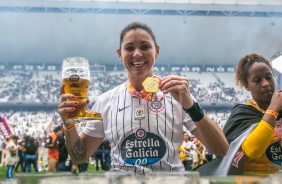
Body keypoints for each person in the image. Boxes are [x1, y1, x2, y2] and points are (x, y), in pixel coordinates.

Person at [58, 21, 229, 175]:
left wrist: (191, 106)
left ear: (157, 51)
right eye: (129, 48)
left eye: (145, 47)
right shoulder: (106, 101)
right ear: (119, 54)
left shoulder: (178, 95)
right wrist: (69, 125)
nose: (137, 54)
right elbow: (79, 157)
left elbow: (221, 149)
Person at [223, 53, 282, 175]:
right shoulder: (242, 114)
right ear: (247, 86)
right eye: (257, 80)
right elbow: (253, 150)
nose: (265, 83)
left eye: (269, 77)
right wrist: (273, 109)